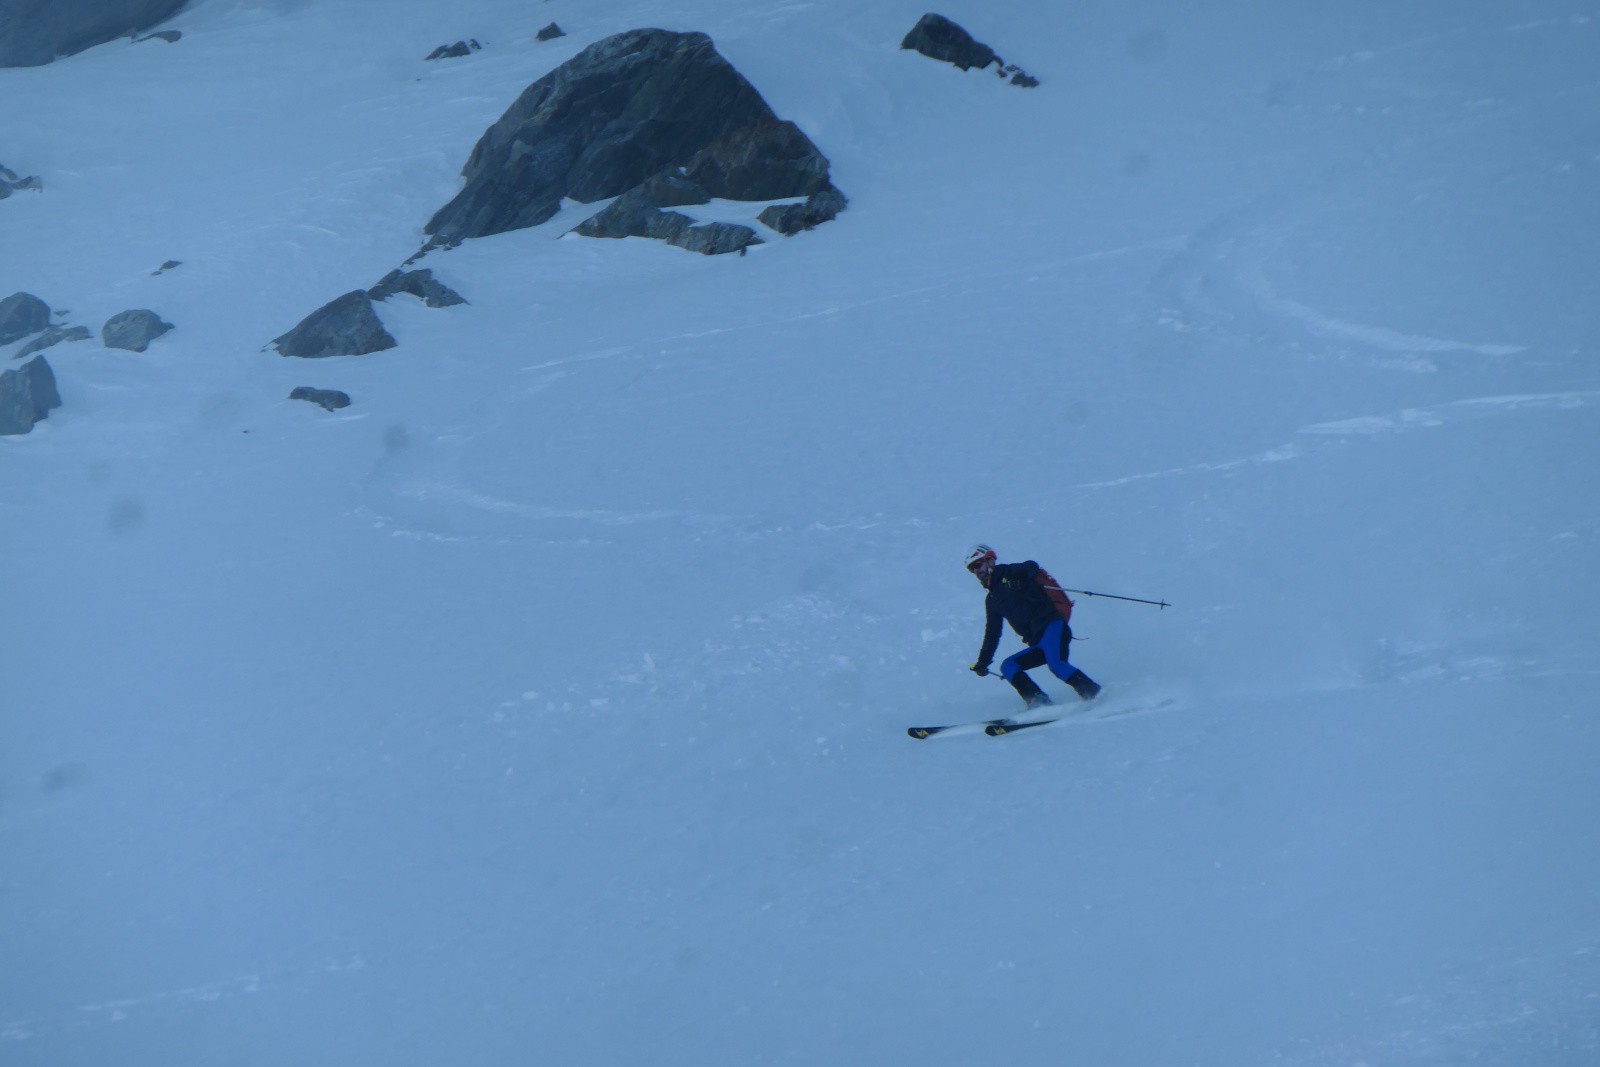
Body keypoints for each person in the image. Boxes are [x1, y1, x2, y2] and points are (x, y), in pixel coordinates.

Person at [965, 543, 1101, 708]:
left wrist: (1014, 575)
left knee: (1057, 665)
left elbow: (1031, 566)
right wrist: (983, 662)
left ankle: (1095, 694)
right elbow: (992, 633)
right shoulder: (992, 600)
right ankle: (1039, 701)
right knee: (1008, 666)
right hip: (1037, 642)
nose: (976, 571)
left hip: (1053, 626)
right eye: (972, 569)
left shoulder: (1011, 574)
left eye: (978, 564)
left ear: (990, 560)